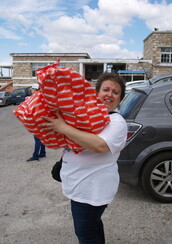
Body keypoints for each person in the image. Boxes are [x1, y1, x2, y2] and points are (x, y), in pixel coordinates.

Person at [40, 73, 127, 244]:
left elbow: (100, 146)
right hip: (80, 185)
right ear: (97, 93)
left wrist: (63, 127)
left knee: (85, 234)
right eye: (106, 89)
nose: (109, 94)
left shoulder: (116, 122)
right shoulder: (87, 118)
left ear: (120, 99)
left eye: (115, 92)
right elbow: (74, 141)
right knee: (93, 226)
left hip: (92, 190)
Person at [27, 83, 46, 162]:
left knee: (37, 139)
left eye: (32, 89)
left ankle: (35, 156)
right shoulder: (42, 97)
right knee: (42, 138)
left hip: (37, 120)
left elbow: (33, 110)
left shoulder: (35, 98)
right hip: (42, 119)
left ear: (35, 89)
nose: (31, 90)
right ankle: (42, 153)